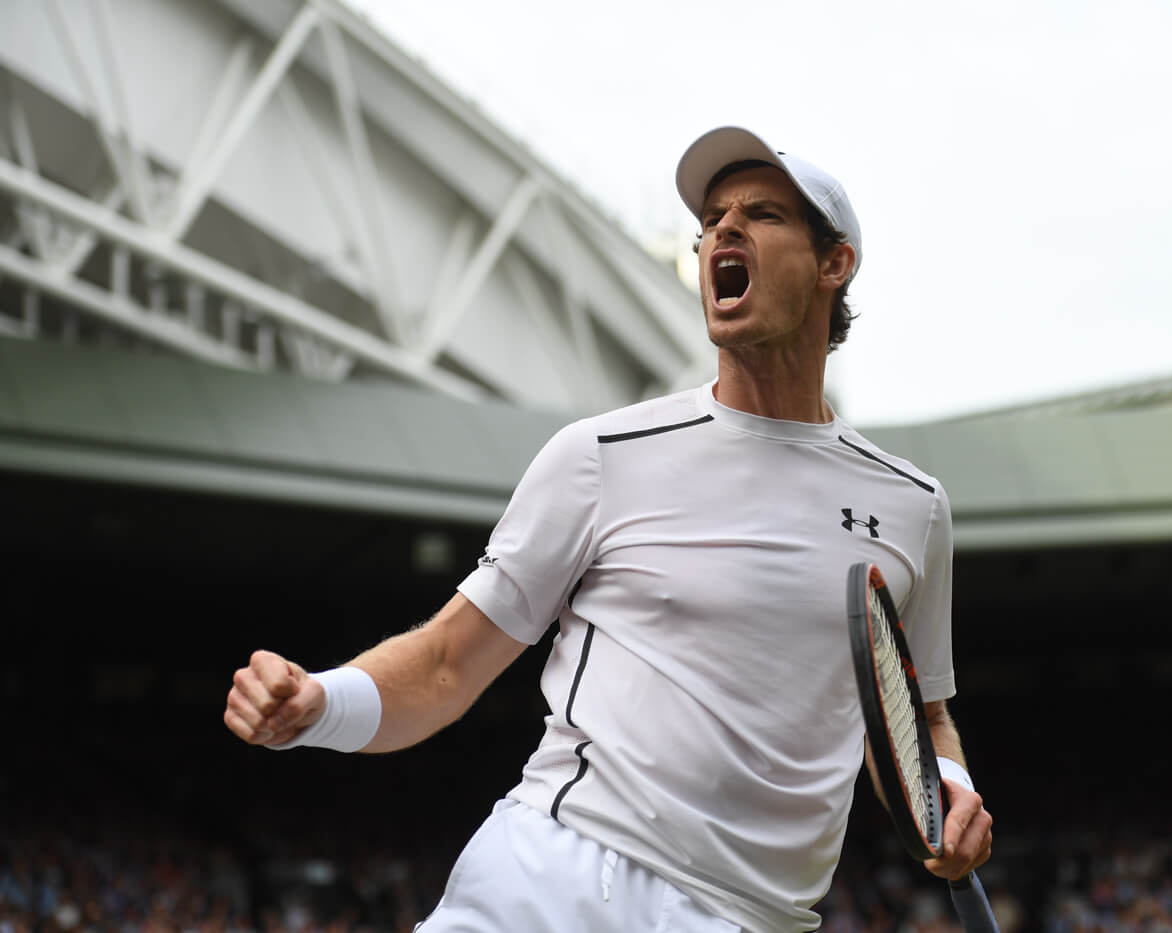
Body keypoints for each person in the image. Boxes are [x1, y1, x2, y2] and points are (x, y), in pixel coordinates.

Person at [223, 126, 993, 932]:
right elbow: (450, 662)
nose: (723, 231)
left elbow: (916, 713)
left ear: (834, 263)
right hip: (552, 875)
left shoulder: (913, 506)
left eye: (761, 214)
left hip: (749, 917)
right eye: (711, 222)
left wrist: (948, 794)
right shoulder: (599, 454)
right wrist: (318, 702)